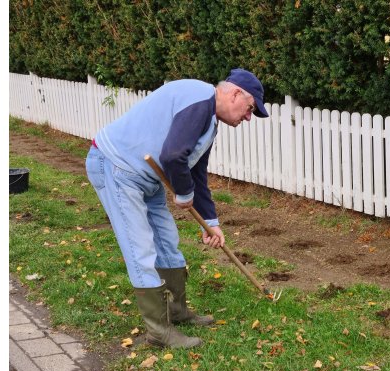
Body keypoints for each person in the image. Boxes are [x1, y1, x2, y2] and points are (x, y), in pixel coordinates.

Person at [85, 68, 269, 348]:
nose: (247, 117)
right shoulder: (198, 99)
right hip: (116, 167)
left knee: (167, 241)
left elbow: (196, 172)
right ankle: (159, 332)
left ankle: (176, 311)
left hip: (147, 175)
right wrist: (184, 193)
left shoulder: (209, 120)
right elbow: (172, 155)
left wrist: (211, 221)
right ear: (235, 94)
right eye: (250, 109)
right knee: (141, 247)